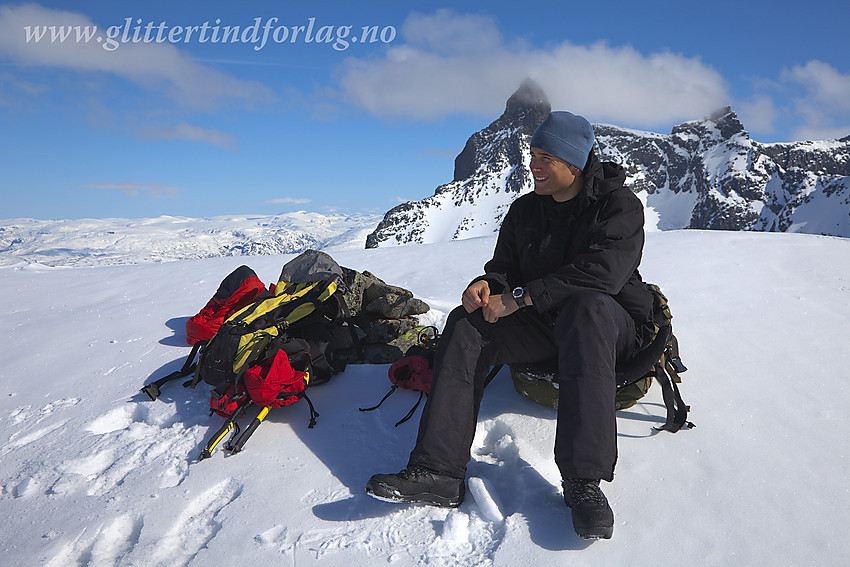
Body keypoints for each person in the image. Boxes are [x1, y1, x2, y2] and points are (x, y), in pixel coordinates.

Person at [365, 111, 655, 540]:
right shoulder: (525, 212)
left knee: (586, 309)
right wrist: (487, 285)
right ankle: (438, 471)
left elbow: (603, 275)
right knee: (466, 323)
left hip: (609, 330)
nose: (533, 164)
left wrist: (521, 297)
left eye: (546, 157)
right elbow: (504, 270)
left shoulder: (618, 206)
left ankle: (583, 483)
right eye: (532, 154)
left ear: (574, 163)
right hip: (546, 328)